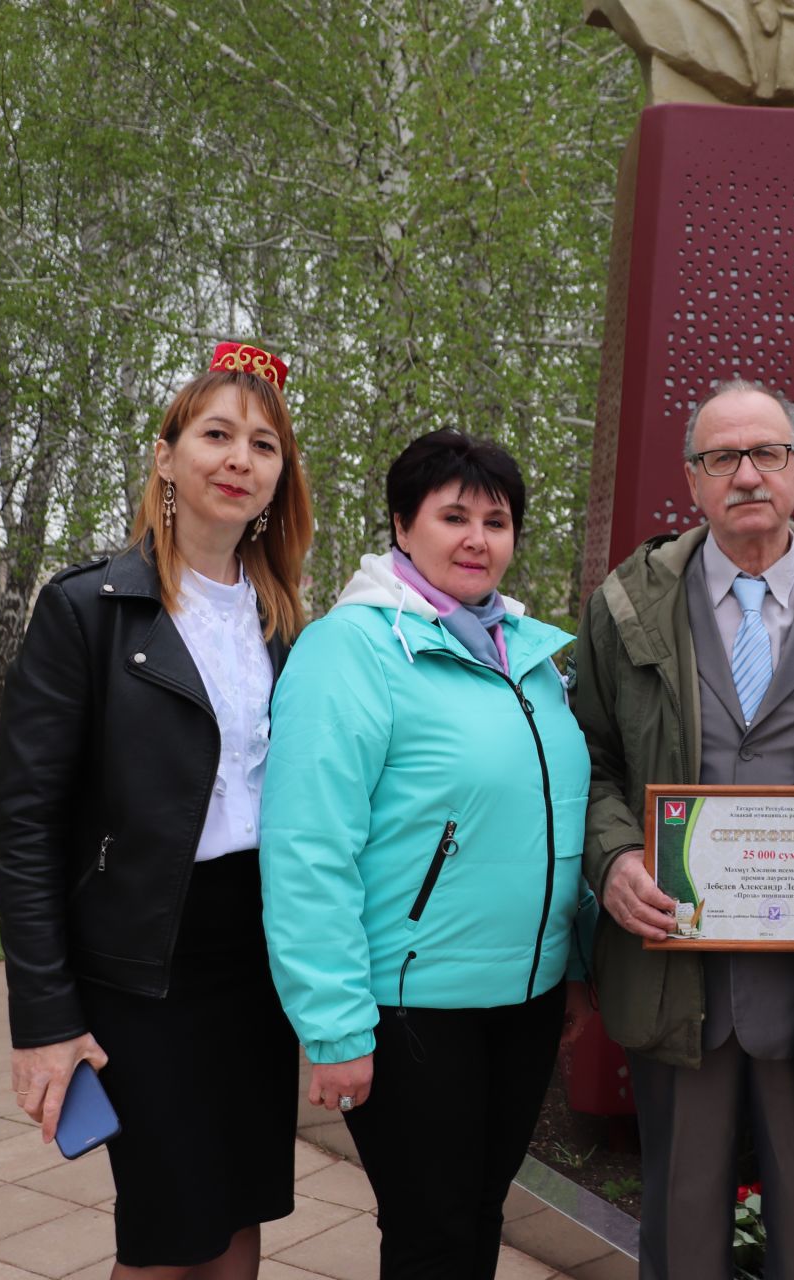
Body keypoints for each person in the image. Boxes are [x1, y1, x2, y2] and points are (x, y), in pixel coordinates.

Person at [571, 379, 794, 1279]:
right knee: (681, 1234)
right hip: (676, 978)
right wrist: (612, 861)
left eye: (767, 454)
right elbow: (589, 761)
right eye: (721, 457)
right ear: (692, 481)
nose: (747, 475)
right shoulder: (626, 609)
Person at [0, 341, 313, 1279]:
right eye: (215, 434)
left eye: (262, 443)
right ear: (166, 457)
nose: (238, 459)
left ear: (278, 476)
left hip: (260, 959)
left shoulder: (288, 622)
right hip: (145, 968)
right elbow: (26, 827)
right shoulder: (89, 610)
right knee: (170, 1230)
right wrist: (44, 1016)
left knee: (242, 1206)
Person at [259, 429, 594, 1280]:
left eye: (498, 520)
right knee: (431, 1233)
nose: (478, 539)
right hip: (414, 1008)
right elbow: (307, 849)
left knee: (477, 1212)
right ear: (403, 526)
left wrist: (577, 965)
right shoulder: (352, 650)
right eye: (454, 516)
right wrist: (334, 1027)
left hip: (524, 1001)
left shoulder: (530, 654)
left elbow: (555, 815)